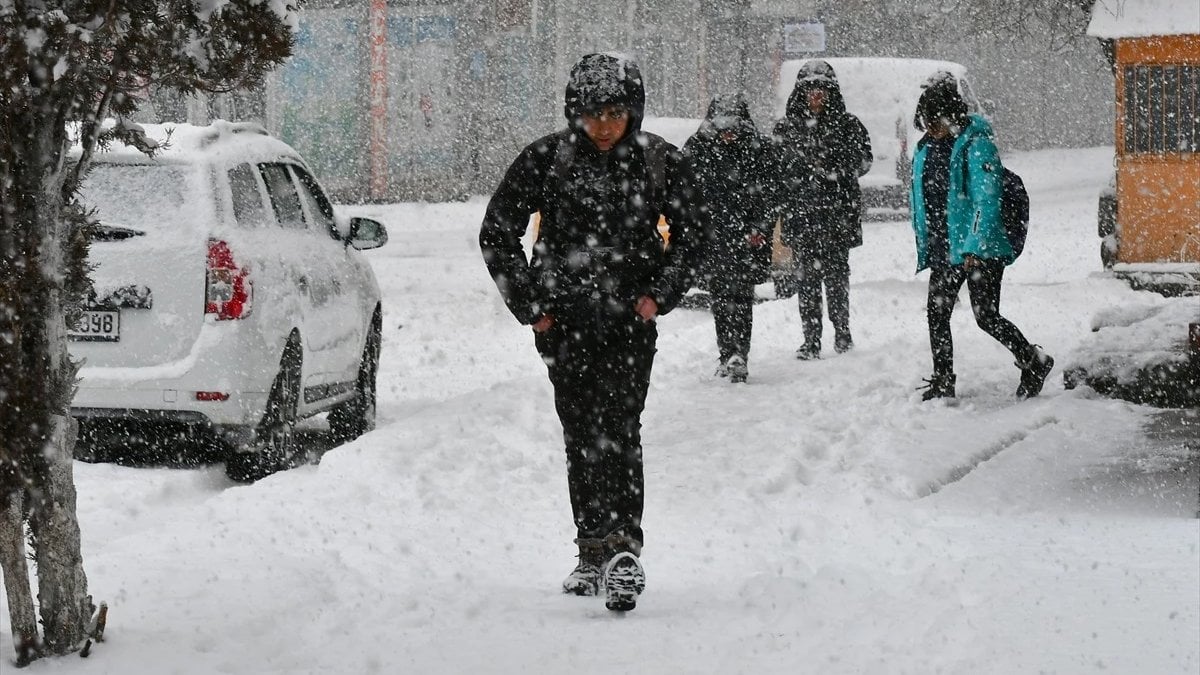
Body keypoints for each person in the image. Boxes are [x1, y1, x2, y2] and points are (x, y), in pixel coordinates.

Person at [478, 53, 706, 612]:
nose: (604, 125)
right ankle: (591, 549)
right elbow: (497, 231)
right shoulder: (546, 160)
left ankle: (624, 548)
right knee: (581, 433)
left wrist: (661, 294)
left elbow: (696, 233)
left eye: (615, 112)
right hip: (565, 324)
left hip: (630, 323)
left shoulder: (658, 163)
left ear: (633, 111)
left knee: (621, 428)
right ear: (573, 113)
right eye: (592, 113)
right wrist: (532, 305)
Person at [909, 75, 1054, 401]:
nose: (931, 127)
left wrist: (974, 246)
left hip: (980, 248)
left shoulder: (977, 146)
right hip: (945, 248)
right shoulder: (926, 149)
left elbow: (986, 200)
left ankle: (1033, 359)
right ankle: (943, 380)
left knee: (986, 317)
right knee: (937, 314)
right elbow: (923, 199)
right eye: (926, 120)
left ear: (953, 116)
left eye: (937, 120)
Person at [773, 60, 872, 360]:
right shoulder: (787, 128)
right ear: (801, 93)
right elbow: (775, 169)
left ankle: (842, 333)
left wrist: (834, 169)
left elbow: (864, 161)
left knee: (837, 279)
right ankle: (811, 339)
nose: (816, 96)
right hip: (802, 218)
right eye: (811, 90)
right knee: (806, 282)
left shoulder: (848, 125)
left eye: (822, 90)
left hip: (836, 218)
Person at [682, 93, 774, 383]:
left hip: (747, 236)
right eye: (724, 128)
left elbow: (771, 191)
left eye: (733, 127)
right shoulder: (698, 147)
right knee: (721, 297)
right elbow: (685, 190)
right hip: (715, 234)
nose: (729, 134)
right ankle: (727, 354)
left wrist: (760, 226)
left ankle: (739, 355)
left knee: (741, 296)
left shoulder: (757, 148)